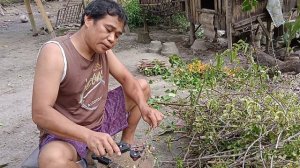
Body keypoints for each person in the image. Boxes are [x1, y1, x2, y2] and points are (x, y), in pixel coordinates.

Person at [31, 0, 164, 167]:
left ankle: (125, 146)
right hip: (69, 133)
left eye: (117, 35)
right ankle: (86, 161)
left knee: (141, 87)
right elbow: (40, 113)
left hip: (100, 121)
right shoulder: (55, 53)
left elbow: (127, 79)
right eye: (108, 30)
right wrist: (87, 135)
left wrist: (144, 106)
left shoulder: (103, 50)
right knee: (52, 160)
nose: (111, 39)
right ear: (88, 20)